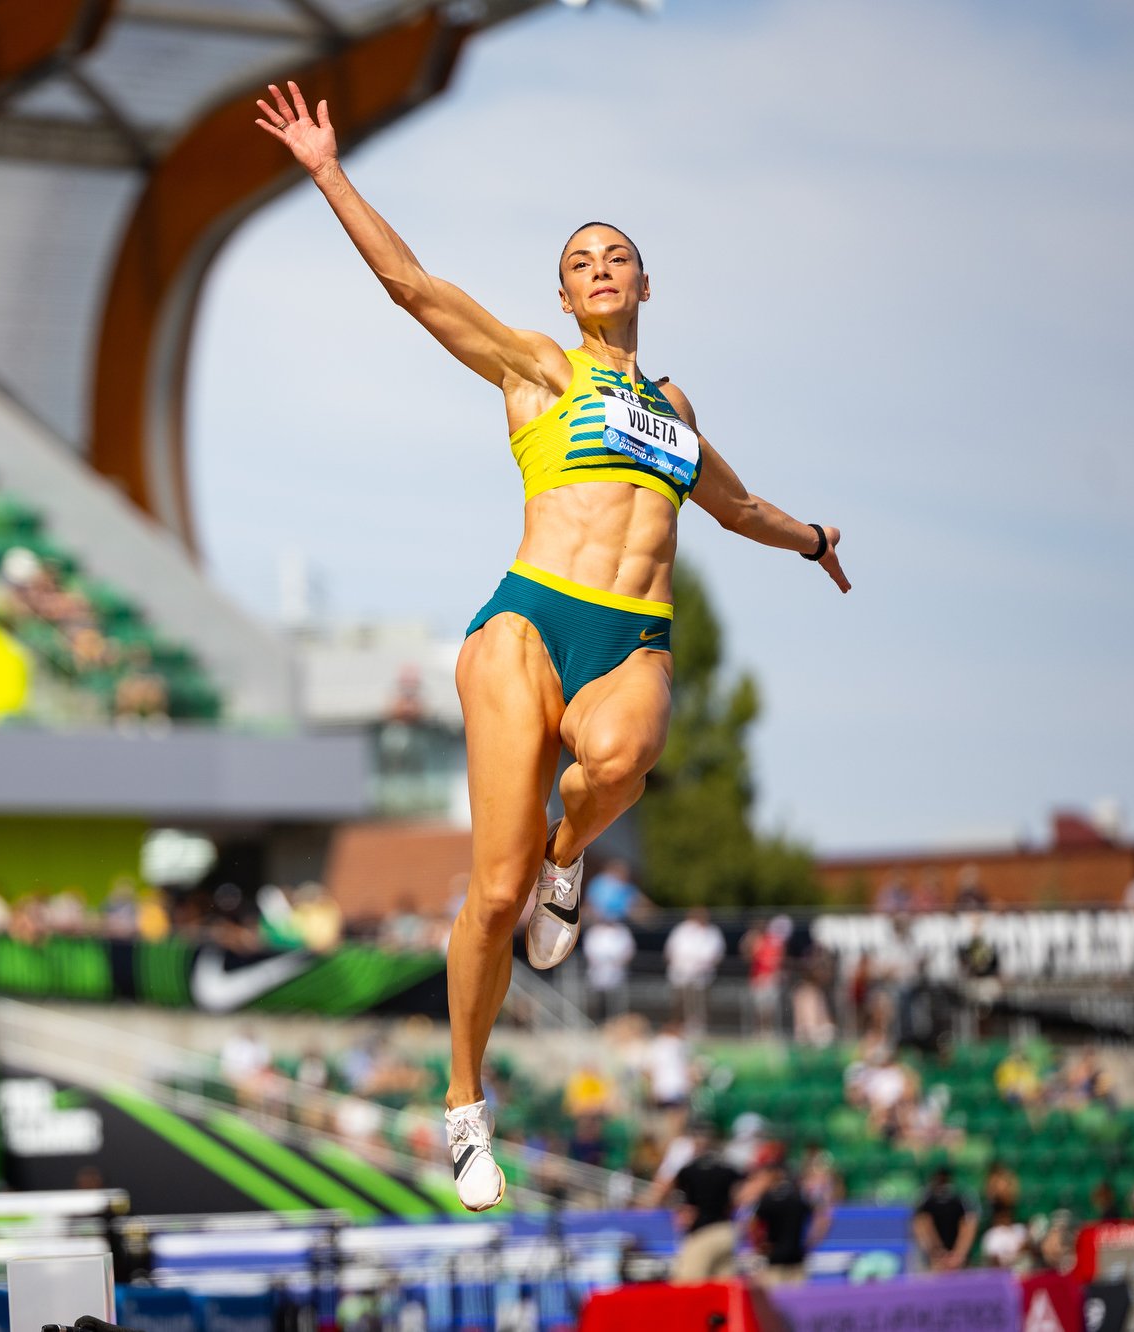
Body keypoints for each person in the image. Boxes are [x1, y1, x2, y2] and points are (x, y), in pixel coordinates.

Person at [252, 81, 850, 1213]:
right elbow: (411, 289)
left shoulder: (671, 406)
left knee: (618, 764)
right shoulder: (538, 369)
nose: (597, 267)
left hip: (629, 635)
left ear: (641, 281)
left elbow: (733, 506)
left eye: (614, 254)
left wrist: (813, 537)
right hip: (528, 615)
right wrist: (327, 169)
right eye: (578, 259)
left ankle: (566, 856)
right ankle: (463, 1102)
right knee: (488, 894)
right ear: (561, 292)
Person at [662, 1122, 769, 1283]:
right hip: (726, 1231)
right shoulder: (728, 1168)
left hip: (702, 1233)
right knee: (724, 1291)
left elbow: (662, 1192)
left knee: (686, 1286)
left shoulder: (689, 1169)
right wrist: (731, 1204)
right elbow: (751, 1188)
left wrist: (679, 1209)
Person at [749, 1148, 829, 1287]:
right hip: (797, 1259)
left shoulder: (768, 1199)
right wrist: (812, 1241)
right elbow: (823, 1217)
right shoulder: (799, 1197)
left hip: (775, 1262)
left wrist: (760, 1245)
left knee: (774, 1304)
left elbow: (752, 1225)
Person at [665, 908, 727, 1036]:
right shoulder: (681, 930)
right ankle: (678, 1027)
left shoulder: (712, 932)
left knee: (700, 1005)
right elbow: (670, 951)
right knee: (679, 1003)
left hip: (702, 977)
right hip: (681, 975)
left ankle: (698, 1028)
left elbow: (716, 954)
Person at [912, 1166, 977, 1272]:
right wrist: (937, 1252)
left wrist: (958, 1254)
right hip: (935, 1259)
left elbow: (969, 1224)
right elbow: (920, 1225)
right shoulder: (926, 1200)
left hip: (958, 1260)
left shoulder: (960, 1197)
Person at [582, 916, 635, 1019]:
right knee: (598, 1000)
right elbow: (589, 951)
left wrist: (619, 961)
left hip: (617, 970)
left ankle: (615, 1020)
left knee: (616, 1001)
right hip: (598, 970)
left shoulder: (622, 931)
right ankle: (598, 1020)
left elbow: (629, 949)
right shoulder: (594, 931)